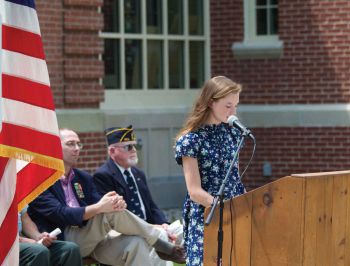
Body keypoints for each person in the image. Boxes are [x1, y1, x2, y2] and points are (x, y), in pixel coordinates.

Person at [28, 128, 185, 265]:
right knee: (108, 212)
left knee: (136, 243)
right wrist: (101, 207)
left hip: (95, 240)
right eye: (70, 144)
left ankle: (158, 240)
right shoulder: (40, 181)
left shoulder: (82, 177)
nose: (76, 148)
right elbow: (62, 214)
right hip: (65, 241)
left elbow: (102, 204)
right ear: (54, 145)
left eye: (78, 144)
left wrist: (115, 202)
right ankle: (160, 241)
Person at [174, 76, 246, 266]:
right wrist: (222, 208)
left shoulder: (233, 133)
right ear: (211, 102)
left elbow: (235, 179)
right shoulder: (191, 140)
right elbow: (194, 191)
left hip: (236, 212)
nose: (233, 112)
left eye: (236, 106)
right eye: (228, 106)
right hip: (207, 213)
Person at [93, 125, 177, 266]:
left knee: (185, 231)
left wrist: (163, 223)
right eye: (128, 147)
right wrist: (153, 227)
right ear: (112, 151)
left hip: (151, 227)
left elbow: (151, 205)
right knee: (160, 236)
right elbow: (117, 215)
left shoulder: (138, 173)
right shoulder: (103, 175)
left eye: (134, 146)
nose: (134, 150)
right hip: (123, 233)